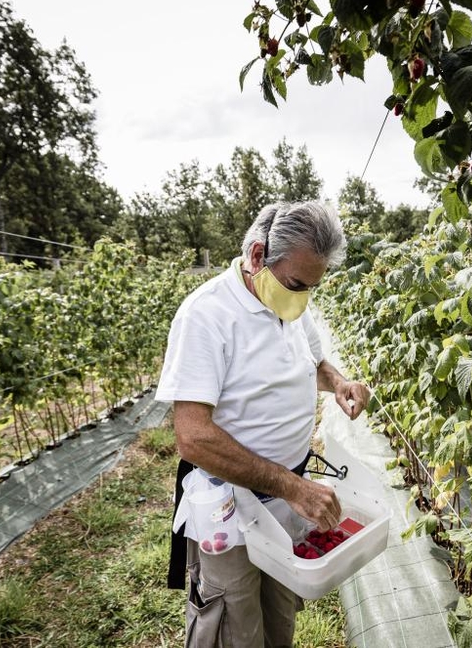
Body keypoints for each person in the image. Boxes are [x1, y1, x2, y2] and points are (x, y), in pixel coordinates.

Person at [156, 200, 371, 647]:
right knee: (234, 624)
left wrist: (340, 383)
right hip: (230, 503)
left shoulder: (292, 303)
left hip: (286, 497)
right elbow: (192, 436)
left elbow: (313, 363)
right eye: (297, 283)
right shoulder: (206, 315)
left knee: (279, 615)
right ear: (258, 256)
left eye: (312, 287)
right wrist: (292, 487)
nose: (303, 297)